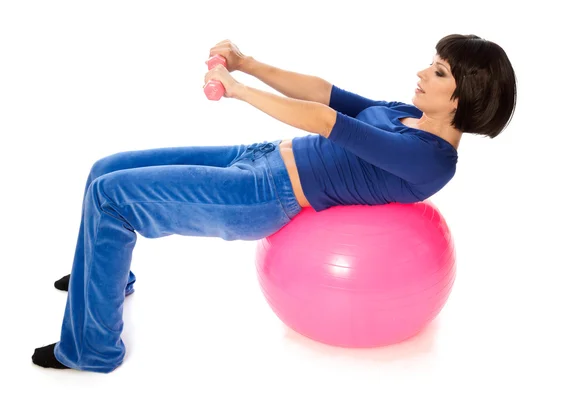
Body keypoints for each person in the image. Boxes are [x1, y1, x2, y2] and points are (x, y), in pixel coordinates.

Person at [32, 33, 517, 372]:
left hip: (261, 195)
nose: (420, 72)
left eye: (437, 71)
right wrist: (247, 64)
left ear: (461, 98)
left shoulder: (430, 161)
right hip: (258, 156)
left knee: (111, 197)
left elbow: (326, 121)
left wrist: (239, 92)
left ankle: (92, 350)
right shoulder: (410, 115)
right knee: (105, 170)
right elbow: (326, 93)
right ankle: (105, 276)